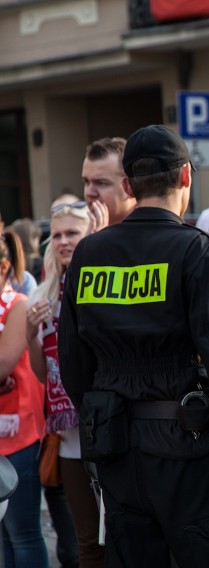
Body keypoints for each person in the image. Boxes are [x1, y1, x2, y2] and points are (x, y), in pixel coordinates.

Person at [58, 125, 209, 567]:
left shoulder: (87, 254)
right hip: (189, 446)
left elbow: (73, 360)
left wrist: (103, 415)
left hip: (117, 449)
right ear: (186, 177)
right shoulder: (196, 250)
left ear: (127, 186)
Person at [26, 200, 105, 568]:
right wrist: (31, 335)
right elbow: (44, 376)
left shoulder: (102, 282)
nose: (63, 241)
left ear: (89, 234)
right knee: (86, 542)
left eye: (72, 232)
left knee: (121, 535)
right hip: (70, 437)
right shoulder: (42, 297)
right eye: (56, 235)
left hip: (108, 426)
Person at [0, 229, 48, 567]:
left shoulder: (17, 304)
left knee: (23, 532)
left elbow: (2, 364)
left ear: (3, 267)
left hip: (18, 436)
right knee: (4, 537)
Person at [81, 137, 134, 227]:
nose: (89, 193)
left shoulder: (153, 232)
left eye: (101, 183)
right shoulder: (77, 233)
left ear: (129, 186)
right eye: (86, 181)